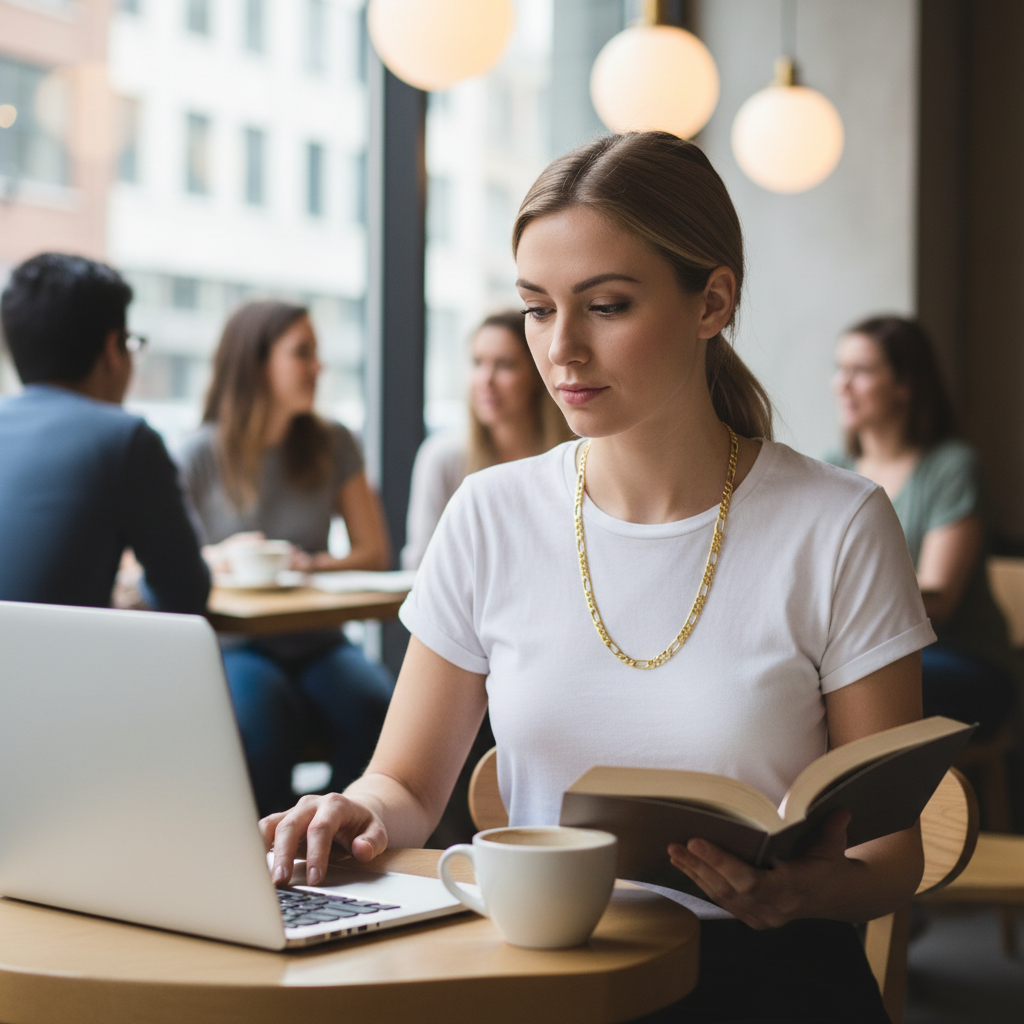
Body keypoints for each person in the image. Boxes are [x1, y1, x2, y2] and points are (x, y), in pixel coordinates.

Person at [261, 134, 936, 1023]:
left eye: (606, 306)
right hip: (544, 976)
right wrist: (354, 810)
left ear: (713, 301)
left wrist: (807, 892)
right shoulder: (490, 513)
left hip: (759, 973)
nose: (562, 349)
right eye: (538, 309)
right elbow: (411, 788)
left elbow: (893, 855)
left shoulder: (838, 524)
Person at [178, 300, 393, 817]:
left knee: (375, 707)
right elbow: (152, 567)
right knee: (268, 716)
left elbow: (374, 552)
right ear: (256, 364)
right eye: (303, 353)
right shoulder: (199, 453)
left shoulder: (333, 442)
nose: (318, 367)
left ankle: (336, 848)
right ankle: (267, 863)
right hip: (236, 646)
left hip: (318, 641)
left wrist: (310, 565)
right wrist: (221, 557)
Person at [827, 315, 1015, 740]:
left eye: (861, 371)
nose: (842, 384)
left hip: (959, 657)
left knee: (851, 688)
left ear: (905, 384)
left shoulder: (951, 467)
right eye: (840, 369)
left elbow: (938, 601)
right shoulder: (833, 468)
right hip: (866, 652)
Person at [0, 252, 209, 613]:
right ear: (112, 350)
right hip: (57, 666)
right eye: (131, 345)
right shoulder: (125, 439)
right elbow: (186, 594)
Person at [401, 309, 573, 569]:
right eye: (477, 363)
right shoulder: (443, 458)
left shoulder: (572, 459)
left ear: (538, 374)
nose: (486, 380)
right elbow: (421, 564)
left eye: (504, 365)